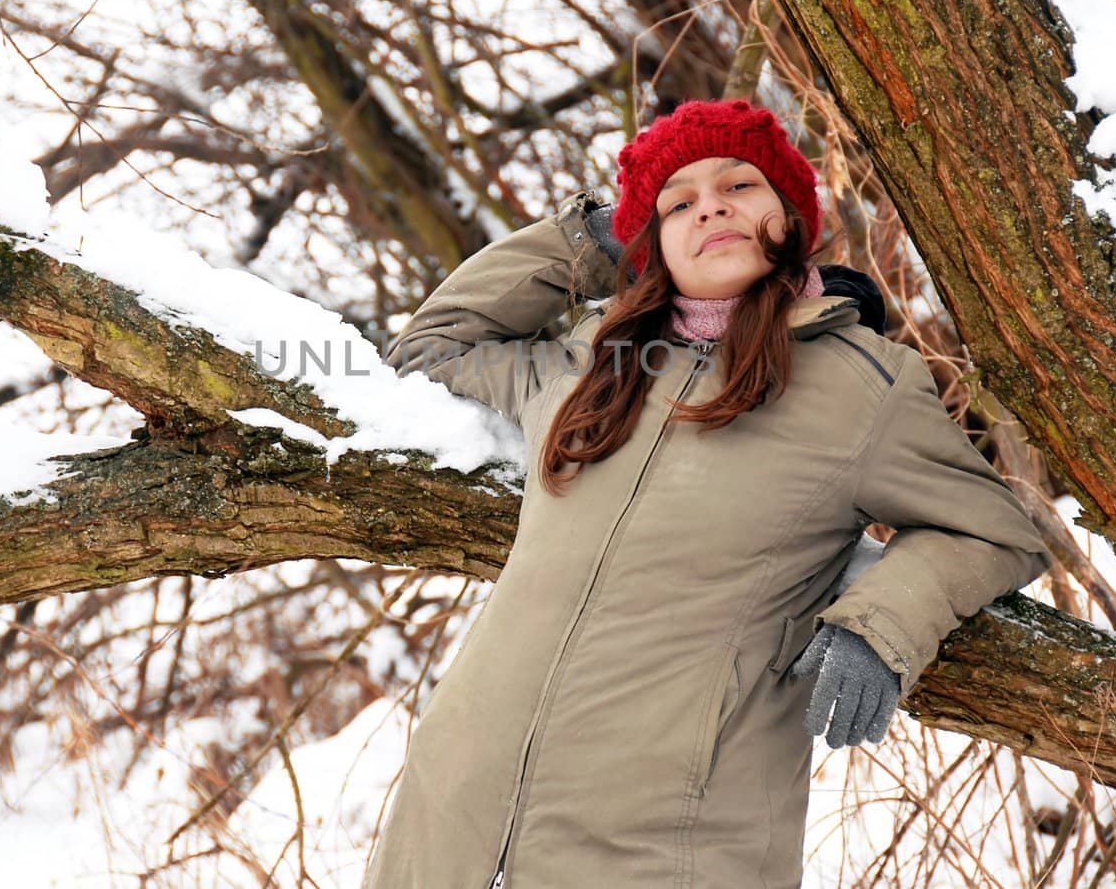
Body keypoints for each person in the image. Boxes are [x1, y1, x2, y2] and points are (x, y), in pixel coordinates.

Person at [366, 99, 1052, 888]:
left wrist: (882, 626)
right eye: (678, 202)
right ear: (649, 241)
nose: (712, 206)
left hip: (668, 849)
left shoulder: (862, 384)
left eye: (738, 186)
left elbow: (992, 531)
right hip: (451, 816)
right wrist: (589, 238)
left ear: (788, 218)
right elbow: (430, 345)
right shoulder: (591, 359)